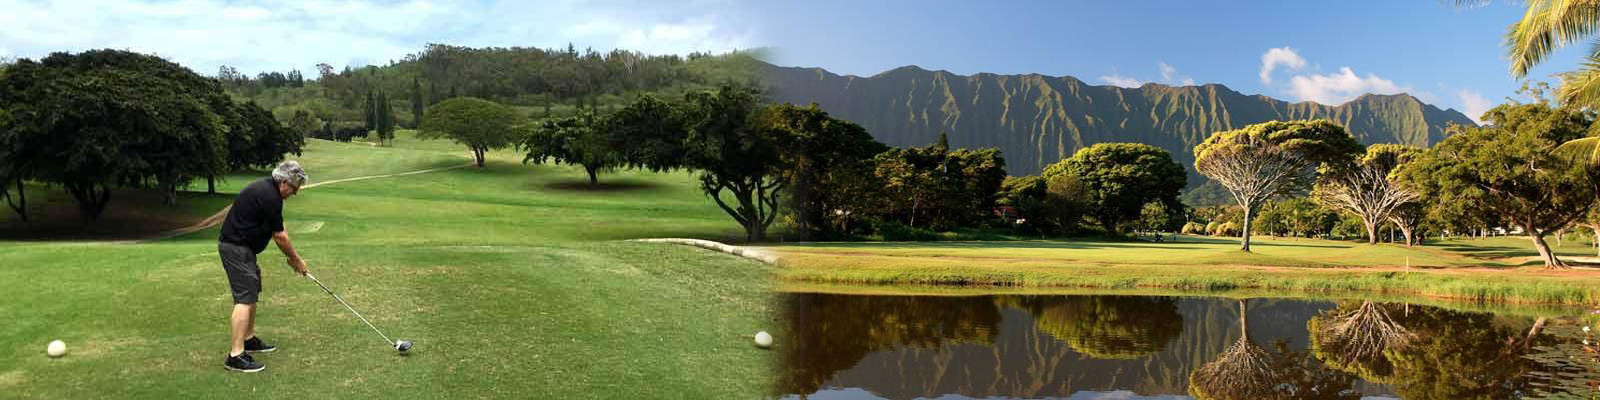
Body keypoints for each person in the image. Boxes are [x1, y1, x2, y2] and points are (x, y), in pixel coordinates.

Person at [218, 161, 310, 372]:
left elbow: (278, 225)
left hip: (244, 248)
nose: (294, 193)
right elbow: (280, 236)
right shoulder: (269, 196)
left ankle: (248, 339)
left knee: (252, 291)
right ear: (284, 182)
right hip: (235, 248)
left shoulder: (269, 191)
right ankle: (235, 355)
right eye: (294, 188)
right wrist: (296, 260)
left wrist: (292, 256)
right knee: (245, 298)